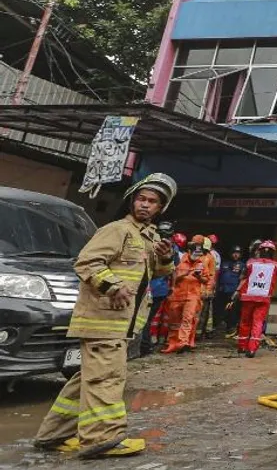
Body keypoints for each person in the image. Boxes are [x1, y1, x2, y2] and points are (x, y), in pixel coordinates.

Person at [32, 173, 177, 459]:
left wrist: (165, 256)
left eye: (152, 201)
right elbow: (87, 262)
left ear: (160, 208)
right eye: (141, 199)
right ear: (132, 200)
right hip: (103, 322)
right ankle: (101, 439)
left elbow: (158, 273)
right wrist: (112, 285)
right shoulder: (117, 230)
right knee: (107, 379)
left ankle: (53, 434)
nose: (145, 205)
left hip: (120, 323)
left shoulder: (148, 237)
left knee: (89, 379)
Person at [163, 236, 212, 354]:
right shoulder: (179, 260)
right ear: (189, 251)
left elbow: (206, 279)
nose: (197, 255)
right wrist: (185, 274)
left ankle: (183, 342)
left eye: (199, 253)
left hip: (193, 296)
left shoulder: (202, 263)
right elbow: (172, 277)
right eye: (195, 252)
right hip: (177, 295)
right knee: (174, 322)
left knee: (187, 319)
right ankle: (172, 343)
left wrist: (199, 277)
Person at [233, 240, 277, 358]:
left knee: (245, 322)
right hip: (263, 298)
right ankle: (252, 349)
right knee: (258, 323)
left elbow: (243, 276)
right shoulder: (276, 265)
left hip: (248, 297)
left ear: (259, 251)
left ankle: (242, 346)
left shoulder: (250, 263)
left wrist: (238, 291)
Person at [215, 247, 245, 332]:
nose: (235, 255)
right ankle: (218, 326)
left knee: (232, 310)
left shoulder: (242, 265)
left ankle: (231, 327)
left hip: (233, 291)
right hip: (222, 290)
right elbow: (218, 276)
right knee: (220, 309)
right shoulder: (224, 263)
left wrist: (238, 291)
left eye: (238, 253)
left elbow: (243, 279)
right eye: (234, 252)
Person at [196, 237, 219, 339]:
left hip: (204, 290)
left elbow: (211, 275)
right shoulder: (194, 255)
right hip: (193, 288)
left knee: (203, 313)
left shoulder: (210, 258)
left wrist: (209, 290)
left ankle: (198, 333)